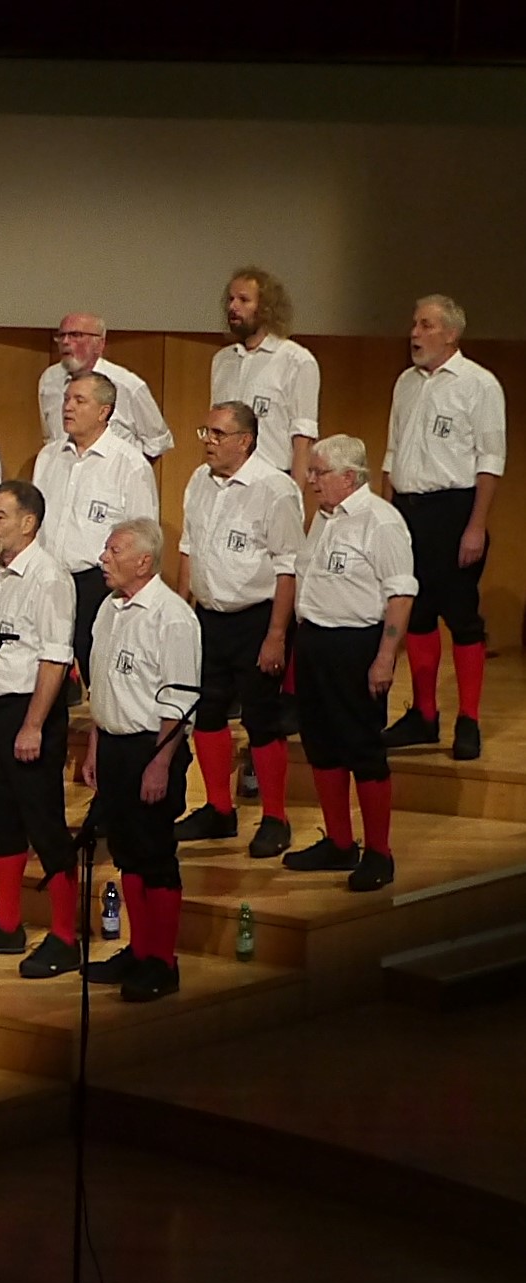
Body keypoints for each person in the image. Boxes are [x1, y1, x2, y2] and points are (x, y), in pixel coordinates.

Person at [0, 481, 84, 976]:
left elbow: (55, 656)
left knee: (44, 825)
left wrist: (33, 725)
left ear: (28, 523)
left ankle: (66, 936)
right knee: (2, 820)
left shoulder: (48, 577)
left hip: (32, 712)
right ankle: (6, 925)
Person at [286, 436, 418, 893]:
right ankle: (339, 843)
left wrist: (385, 657)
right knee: (321, 744)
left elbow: (401, 595)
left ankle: (379, 852)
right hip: (315, 642)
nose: (310, 479)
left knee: (362, 747)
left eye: (318, 472)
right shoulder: (323, 519)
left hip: (356, 647)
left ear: (349, 477)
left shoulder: (381, 521)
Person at [174, 402, 303, 855]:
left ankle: (275, 818)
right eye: (205, 432)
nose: (207, 441)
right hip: (208, 618)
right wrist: (182, 612)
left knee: (262, 719)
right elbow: (188, 548)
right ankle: (219, 810)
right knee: (207, 713)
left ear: (245, 441)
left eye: (218, 434)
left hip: (257, 619)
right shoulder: (199, 481)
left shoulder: (276, 489)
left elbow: (288, 567)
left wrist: (276, 636)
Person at [383, 295, 504, 758]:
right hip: (407, 510)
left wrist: (476, 526)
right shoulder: (405, 383)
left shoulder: (479, 384)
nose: (414, 333)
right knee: (416, 613)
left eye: (426, 325)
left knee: (461, 615)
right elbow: (393, 453)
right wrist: (387, 517)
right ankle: (424, 714)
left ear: (451, 334)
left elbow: (490, 460)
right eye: (414, 324)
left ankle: (468, 719)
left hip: (454, 511)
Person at [84, 520, 200, 1001]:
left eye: (114, 551)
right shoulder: (108, 609)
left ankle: (162, 962)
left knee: (154, 855)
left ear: (144, 561)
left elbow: (180, 700)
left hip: (151, 749)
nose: (103, 558)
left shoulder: (172, 618)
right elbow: (103, 684)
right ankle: (139, 949)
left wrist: (159, 763)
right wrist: (95, 745)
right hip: (113, 746)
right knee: (127, 852)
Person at [33, 372, 158, 678]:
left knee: (95, 673)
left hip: (97, 585)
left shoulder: (130, 464)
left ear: (104, 411)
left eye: (79, 400)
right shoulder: (48, 456)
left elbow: (144, 537)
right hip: (47, 582)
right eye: (66, 399)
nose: (68, 407)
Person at [212, 266, 322, 487]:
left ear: (265, 309)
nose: (233, 307)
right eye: (231, 299)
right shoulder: (223, 360)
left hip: (271, 481)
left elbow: (303, 439)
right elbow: (215, 429)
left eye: (244, 300)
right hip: (225, 481)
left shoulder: (296, 361)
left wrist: (294, 497)